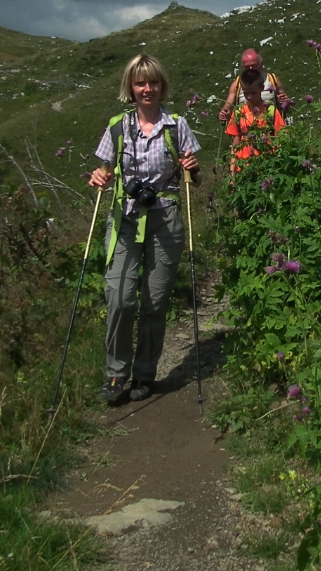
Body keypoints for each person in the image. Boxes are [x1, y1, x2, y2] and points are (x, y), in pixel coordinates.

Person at [89, 54, 200, 405]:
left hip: (165, 217)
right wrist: (99, 177)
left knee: (154, 302)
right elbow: (104, 171)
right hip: (125, 218)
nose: (147, 89)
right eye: (140, 83)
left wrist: (192, 170)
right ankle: (115, 373)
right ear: (130, 88)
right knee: (119, 298)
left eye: (153, 82)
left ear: (161, 85)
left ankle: (145, 373)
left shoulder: (177, 125)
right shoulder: (117, 127)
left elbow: (193, 179)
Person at [225, 68, 286, 168]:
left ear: (262, 88)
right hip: (244, 167)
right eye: (246, 93)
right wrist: (232, 172)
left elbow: (281, 139)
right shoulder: (238, 112)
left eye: (253, 93)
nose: (249, 97)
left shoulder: (271, 111)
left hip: (266, 164)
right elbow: (235, 145)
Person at [218, 48, 288, 123]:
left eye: (254, 65)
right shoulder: (237, 84)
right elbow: (227, 108)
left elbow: (286, 105)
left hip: (271, 128)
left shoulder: (273, 80)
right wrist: (224, 113)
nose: (251, 69)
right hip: (246, 129)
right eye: (247, 67)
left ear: (261, 63)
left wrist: (285, 102)